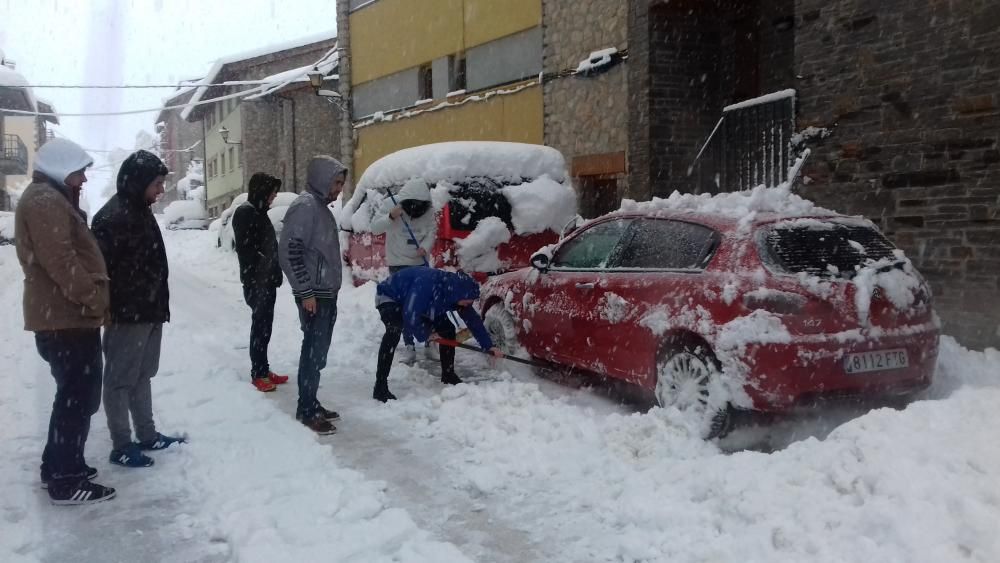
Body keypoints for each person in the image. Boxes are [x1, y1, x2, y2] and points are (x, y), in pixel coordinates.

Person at [14, 138, 116, 504]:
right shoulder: (44, 200)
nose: (83, 180)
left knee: (75, 395)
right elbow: (61, 260)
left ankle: (58, 464)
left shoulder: (50, 197)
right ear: (60, 169)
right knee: (76, 396)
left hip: (65, 316)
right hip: (66, 317)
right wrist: (93, 297)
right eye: (78, 172)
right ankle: (65, 479)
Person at [91, 150, 184, 468]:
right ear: (140, 182)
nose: (160, 190)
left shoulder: (140, 211)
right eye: (157, 184)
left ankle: (147, 435)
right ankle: (121, 444)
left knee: (143, 374)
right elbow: (99, 271)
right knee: (119, 379)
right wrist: (111, 309)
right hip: (126, 315)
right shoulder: (112, 217)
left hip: (150, 311)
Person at [278, 155, 346, 435]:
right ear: (322, 179)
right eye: (336, 182)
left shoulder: (319, 207)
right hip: (314, 295)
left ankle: (311, 402)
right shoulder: (305, 207)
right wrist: (305, 291)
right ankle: (306, 410)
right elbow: (290, 253)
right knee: (312, 352)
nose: (339, 189)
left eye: (342, 183)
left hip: (325, 293)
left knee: (317, 353)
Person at [372, 268, 503, 402]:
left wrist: (488, 346)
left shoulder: (457, 294)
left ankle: (448, 375)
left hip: (421, 305)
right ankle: (380, 386)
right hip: (390, 296)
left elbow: (473, 322)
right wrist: (427, 333)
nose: (469, 304)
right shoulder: (427, 283)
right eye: (468, 301)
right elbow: (410, 314)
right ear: (459, 294)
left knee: (447, 329)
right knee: (394, 329)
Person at [368, 178, 436, 365]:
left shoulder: (429, 211)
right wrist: (390, 216)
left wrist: (425, 246)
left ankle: (430, 341)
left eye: (419, 206)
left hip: (420, 263)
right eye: (412, 205)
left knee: (425, 304)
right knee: (404, 307)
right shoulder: (392, 205)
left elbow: (431, 231)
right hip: (398, 264)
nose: (415, 210)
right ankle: (409, 345)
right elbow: (374, 228)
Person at [232, 173, 289, 392]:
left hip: (266, 281)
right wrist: (267, 269)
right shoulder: (245, 212)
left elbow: (267, 247)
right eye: (272, 192)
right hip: (256, 282)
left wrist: (274, 270)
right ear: (261, 191)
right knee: (260, 327)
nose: (274, 196)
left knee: (265, 327)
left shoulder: (259, 212)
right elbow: (247, 250)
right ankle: (258, 373)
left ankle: (264, 369)